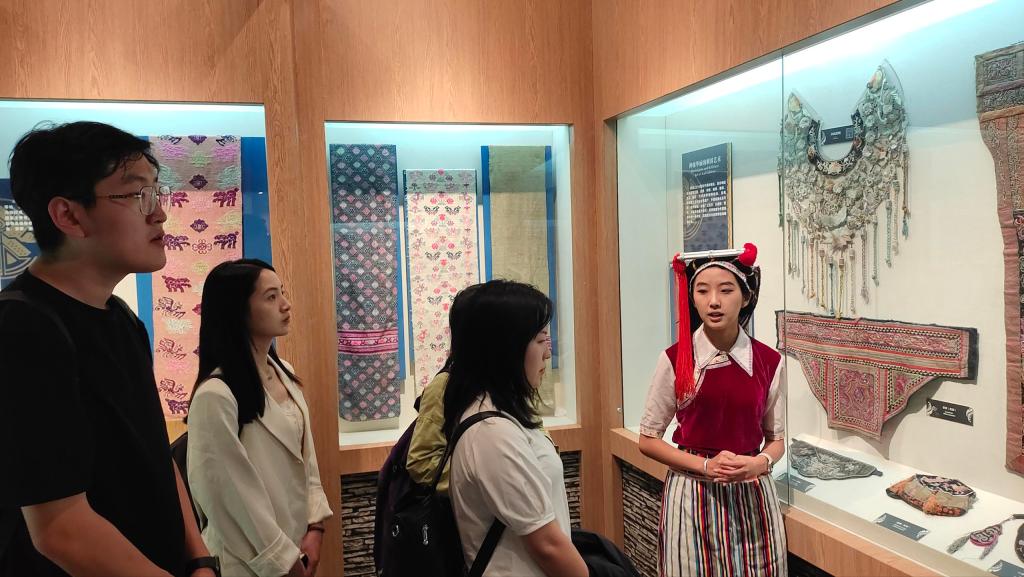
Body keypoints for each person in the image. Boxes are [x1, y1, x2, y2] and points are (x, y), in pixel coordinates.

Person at [0, 121, 217, 576]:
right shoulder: (21, 328)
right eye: (138, 195)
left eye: (157, 193)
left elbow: (155, 452)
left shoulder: (120, 317)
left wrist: (198, 557)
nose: (159, 214)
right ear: (69, 216)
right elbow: (59, 529)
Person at [638, 243, 787, 577]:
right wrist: (706, 465)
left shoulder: (769, 361)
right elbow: (647, 440)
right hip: (692, 494)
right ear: (692, 298)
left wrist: (759, 463)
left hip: (751, 494)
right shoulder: (675, 359)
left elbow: (776, 439)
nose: (714, 301)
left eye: (726, 290)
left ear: (746, 297)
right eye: (702, 291)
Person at [186, 259, 332, 577]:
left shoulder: (284, 372)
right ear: (238, 310)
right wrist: (283, 561)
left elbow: (306, 460)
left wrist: (315, 526)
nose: (285, 304)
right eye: (271, 297)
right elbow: (229, 496)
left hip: (296, 545)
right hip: (247, 560)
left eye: (283, 293)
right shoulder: (215, 395)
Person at [441, 280, 587, 577]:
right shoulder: (492, 431)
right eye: (540, 340)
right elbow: (547, 545)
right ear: (505, 349)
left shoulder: (501, 415)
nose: (547, 354)